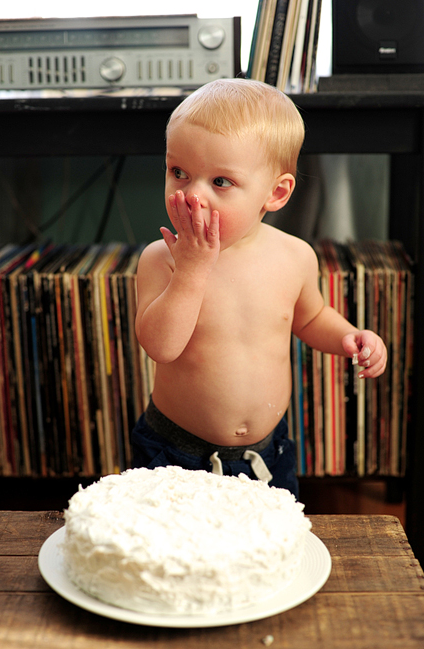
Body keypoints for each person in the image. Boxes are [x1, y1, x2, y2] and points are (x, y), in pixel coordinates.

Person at [132, 79, 386, 497]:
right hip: (176, 451)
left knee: (265, 551)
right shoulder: (161, 259)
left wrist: (348, 336)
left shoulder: (294, 256)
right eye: (179, 173)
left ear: (276, 192)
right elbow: (161, 346)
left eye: (221, 182)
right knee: (174, 556)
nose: (193, 195)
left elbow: (311, 317)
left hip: (267, 454)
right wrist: (192, 271)